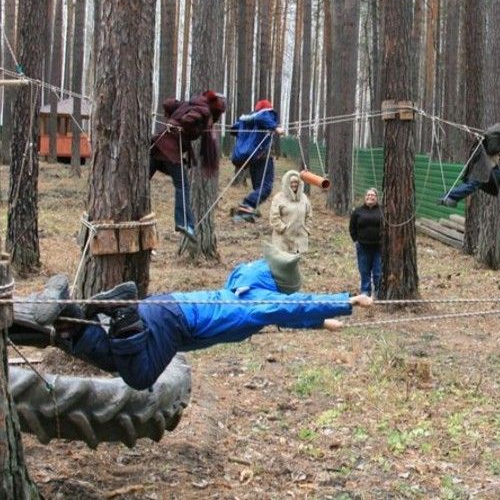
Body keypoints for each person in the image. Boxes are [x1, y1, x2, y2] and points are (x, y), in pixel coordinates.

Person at [18, 244, 373, 391]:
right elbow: (293, 307)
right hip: (174, 322)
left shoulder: (244, 285)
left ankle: (69, 317)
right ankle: (122, 311)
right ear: (280, 289)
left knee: (115, 359)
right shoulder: (259, 303)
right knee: (140, 377)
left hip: (162, 308)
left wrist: (320, 323)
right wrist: (346, 300)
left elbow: (286, 314)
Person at [150, 90, 226, 243]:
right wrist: (190, 128)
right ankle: (184, 222)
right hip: (171, 149)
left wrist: (174, 118)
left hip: (158, 145)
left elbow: (168, 103)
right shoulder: (204, 110)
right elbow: (189, 120)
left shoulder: (190, 104)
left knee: (140, 181)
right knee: (182, 186)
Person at [438, 114, 500, 220]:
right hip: (482, 167)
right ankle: (448, 196)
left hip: (487, 167)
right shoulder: (497, 132)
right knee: (472, 186)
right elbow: (492, 149)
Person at [230, 99, 284, 222]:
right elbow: (263, 117)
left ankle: (249, 211)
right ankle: (247, 204)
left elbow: (234, 128)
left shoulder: (248, 120)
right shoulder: (264, 116)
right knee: (266, 187)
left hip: (254, 159)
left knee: (258, 188)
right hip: (263, 158)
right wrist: (275, 127)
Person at [349, 188, 383, 296]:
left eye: (373, 195)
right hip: (363, 246)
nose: (370, 197)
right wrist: (355, 240)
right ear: (365, 197)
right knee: (364, 271)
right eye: (368, 195)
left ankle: (378, 292)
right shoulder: (358, 211)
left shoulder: (382, 211)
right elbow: (352, 227)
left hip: (378, 247)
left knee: (378, 272)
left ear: (376, 198)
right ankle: (365, 291)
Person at [270, 170, 312, 253]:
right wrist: (283, 229)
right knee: (283, 260)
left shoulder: (304, 198)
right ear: (286, 183)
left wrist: (307, 229)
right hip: (283, 239)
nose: (294, 184)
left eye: (296, 182)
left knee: (298, 260)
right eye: (291, 182)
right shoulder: (278, 198)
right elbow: (274, 217)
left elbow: (309, 215)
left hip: (300, 239)